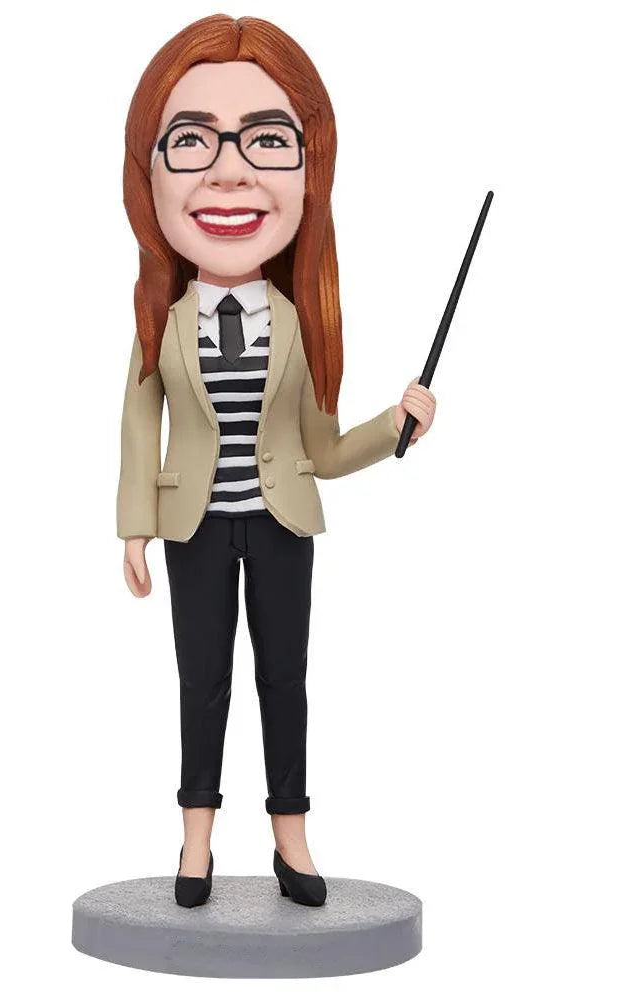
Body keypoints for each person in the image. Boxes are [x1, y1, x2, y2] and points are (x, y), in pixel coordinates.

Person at [117, 15, 436, 907]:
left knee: (283, 681)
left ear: (310, 169)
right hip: (192, 528)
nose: (229, 171)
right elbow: (139, 423)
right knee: (202, 683)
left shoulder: (298, 323)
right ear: (148, 172)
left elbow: (322, 450)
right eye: (192, 141)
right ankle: (196, 843)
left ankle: (291, 839)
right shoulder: (162, 320)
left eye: (266, 140)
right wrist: (134, 528)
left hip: (281, 523)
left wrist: (395, 426)